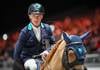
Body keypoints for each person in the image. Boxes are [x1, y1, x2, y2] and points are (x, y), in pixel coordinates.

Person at [13, 3, 55, 70]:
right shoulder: (24, 32)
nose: (36, 17)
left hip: (44, 57)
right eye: (33, 15)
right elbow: (17, 53)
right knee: (33, 67)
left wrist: (47, 51)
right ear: (30, 16)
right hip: (29, 58)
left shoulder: (47, 28)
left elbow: (52, 44)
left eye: (39, 15)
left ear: (42, 16)